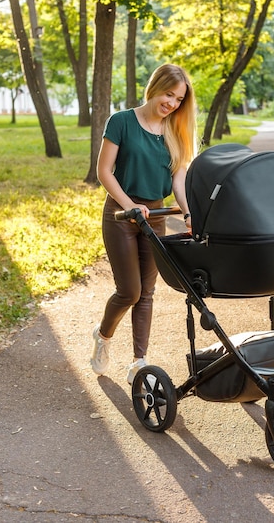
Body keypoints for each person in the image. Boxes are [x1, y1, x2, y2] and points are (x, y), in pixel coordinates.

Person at [90, 63, 196, 384]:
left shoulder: (175, 132)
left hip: (155, 216)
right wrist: (130, 205)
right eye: (169, 94)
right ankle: (103, 336)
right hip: (121, 215)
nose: (172, 104)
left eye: (178, 99)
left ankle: (139, 362)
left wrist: (189, 213)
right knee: (130, 291)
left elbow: (178, 182)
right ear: (155, 87)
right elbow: (104, 171)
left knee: (147, 292)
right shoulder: (122, 121)